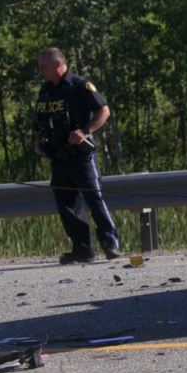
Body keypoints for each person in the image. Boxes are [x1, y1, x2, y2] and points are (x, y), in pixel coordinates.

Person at [34, 47, 121, 263]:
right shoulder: (45, 91)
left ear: (57, 65)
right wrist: (38, 141)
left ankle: (111, 244)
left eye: (43, 66)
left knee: (94, 199)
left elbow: (104, 110)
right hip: (58, 157)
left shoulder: (80, 86)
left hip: (81, 157)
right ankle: (83, 249)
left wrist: (86, 131)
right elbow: (40, 122)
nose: (40, 71)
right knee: (67, 205)